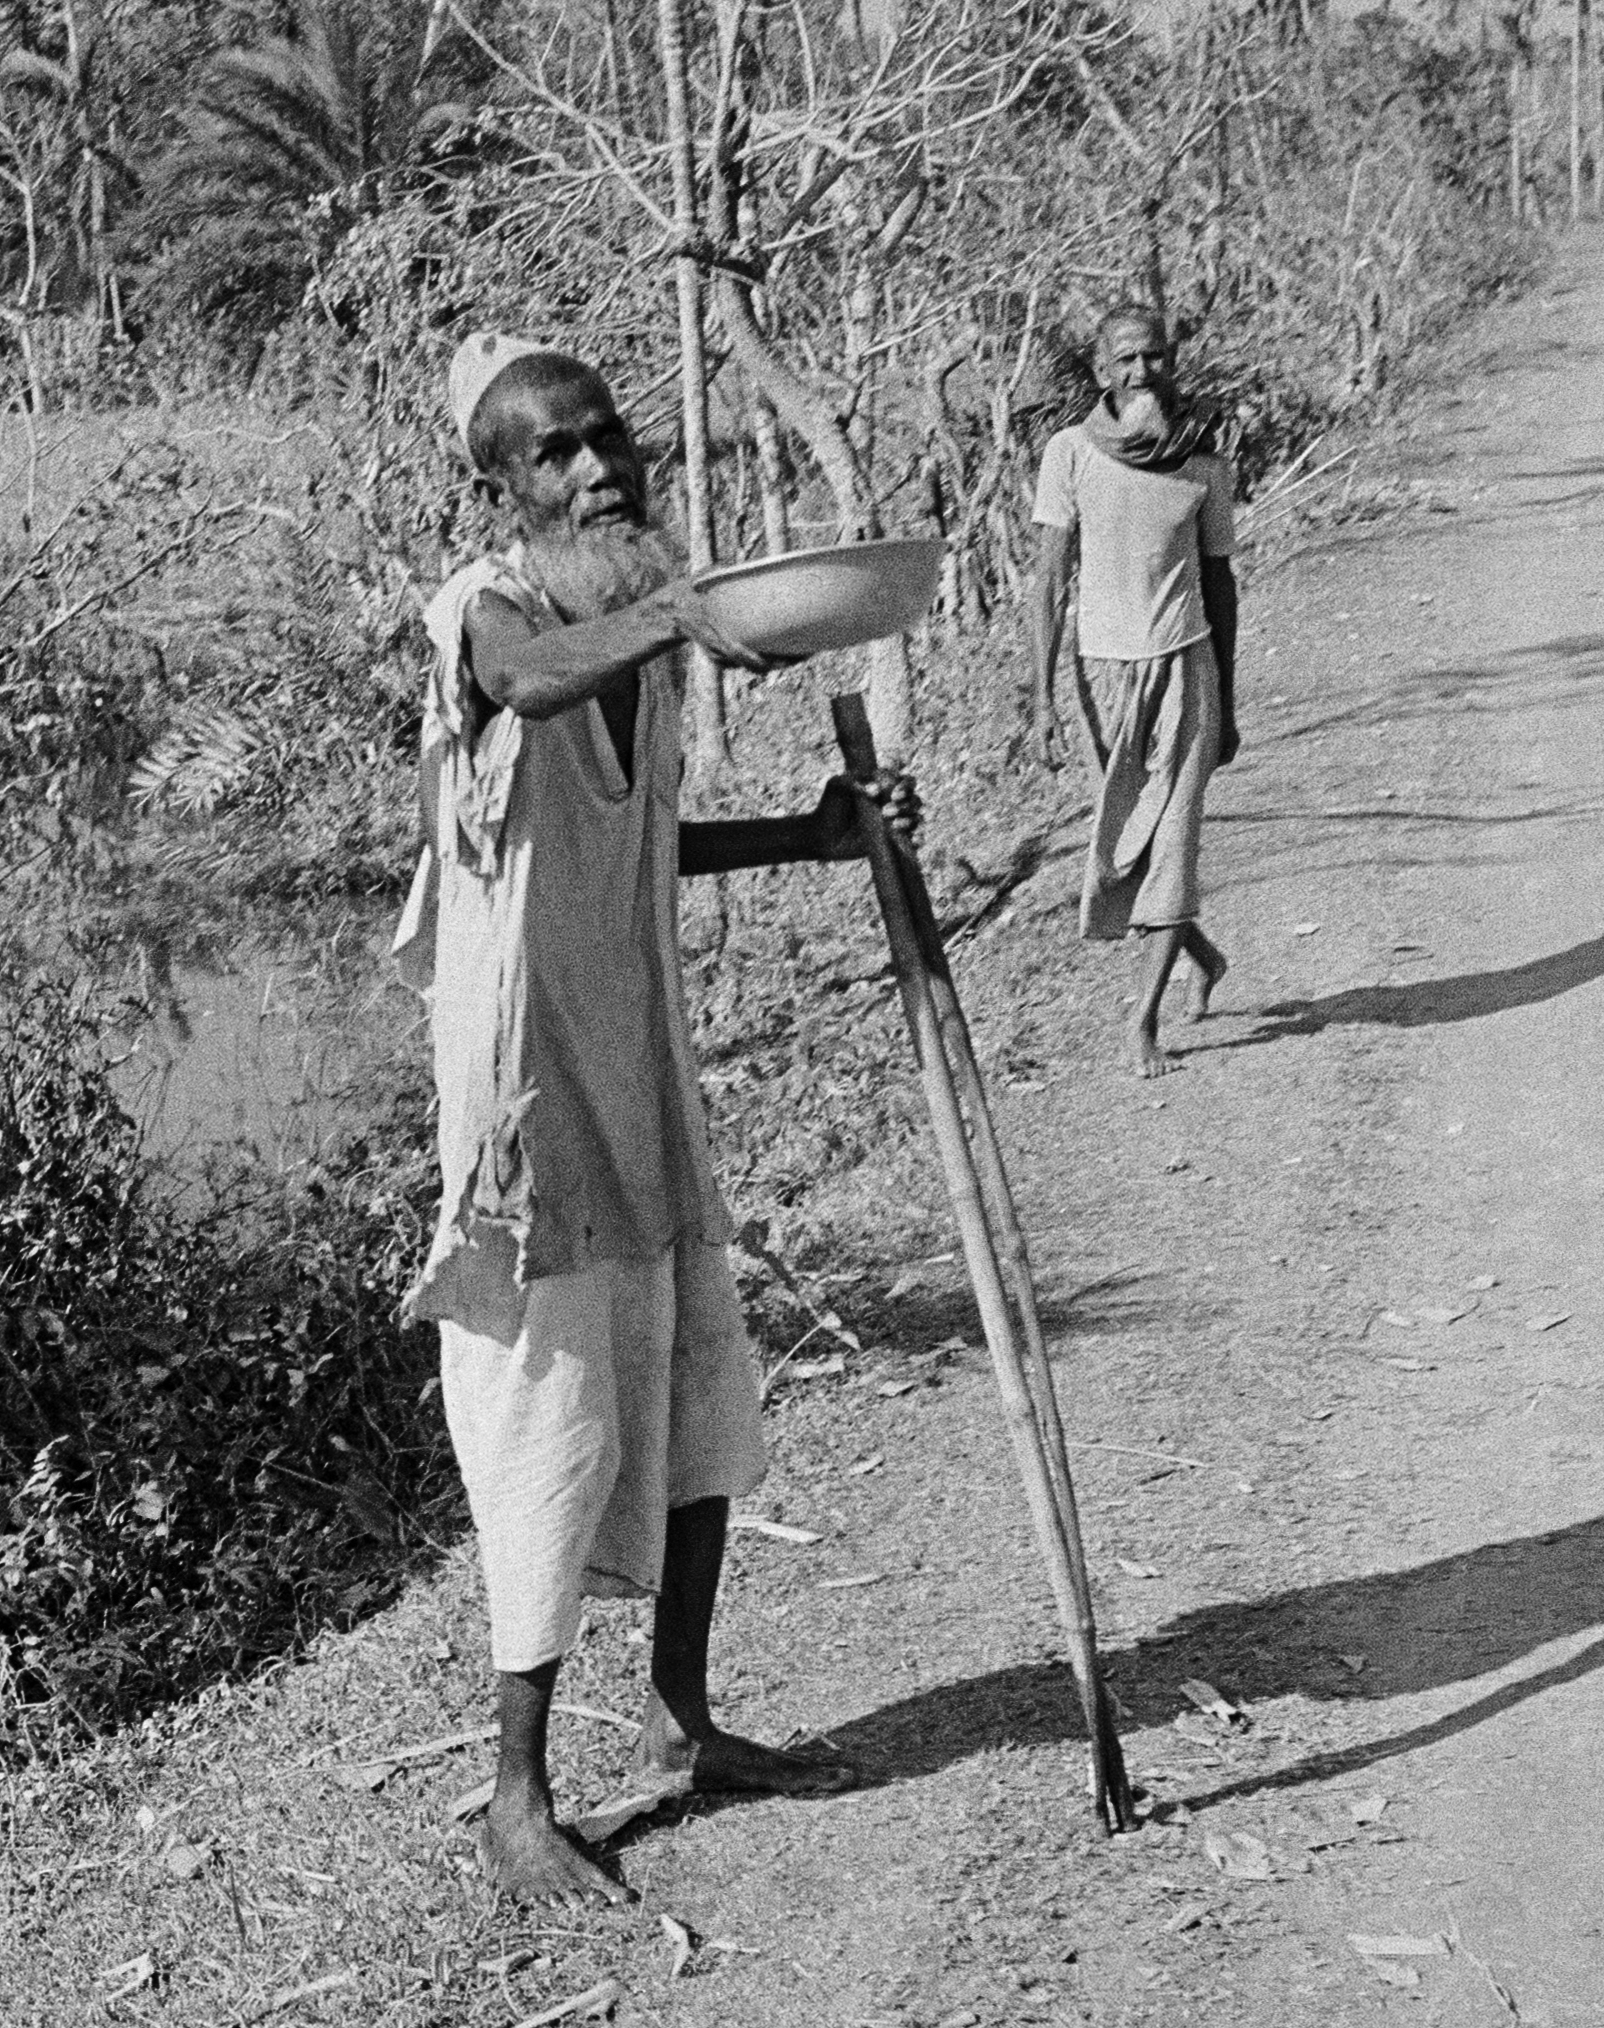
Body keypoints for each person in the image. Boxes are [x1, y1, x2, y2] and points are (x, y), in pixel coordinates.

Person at [395, 332, 913, 1904]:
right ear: (498, 485)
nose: (590, 465)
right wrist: (678, 615)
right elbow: (524, 678)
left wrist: (808, 836)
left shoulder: (638, 637)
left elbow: (638, 848)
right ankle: (515, 1793)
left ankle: (686, 1713)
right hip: (527, 1099)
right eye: (549, 451)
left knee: (697, 1393)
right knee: (545, 1428)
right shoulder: (484, 613)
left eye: (603, 434)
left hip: (644, 1069)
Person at [1022, 304, 1241, 1079]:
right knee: (1123, 844)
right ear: (1099, 372)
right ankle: (1202, 955)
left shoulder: (1205, 463)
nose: (1141, 372)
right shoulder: (1069, 454)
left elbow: (1220, 584)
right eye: (1125, 360)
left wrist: (1231, 704)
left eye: (1153, 358)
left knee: (1173, 840)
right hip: (1100, 676)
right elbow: (1048, 582)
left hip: (1186, 667)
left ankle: (1141, 1021)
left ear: (1170, 363)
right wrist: (1043, 699)